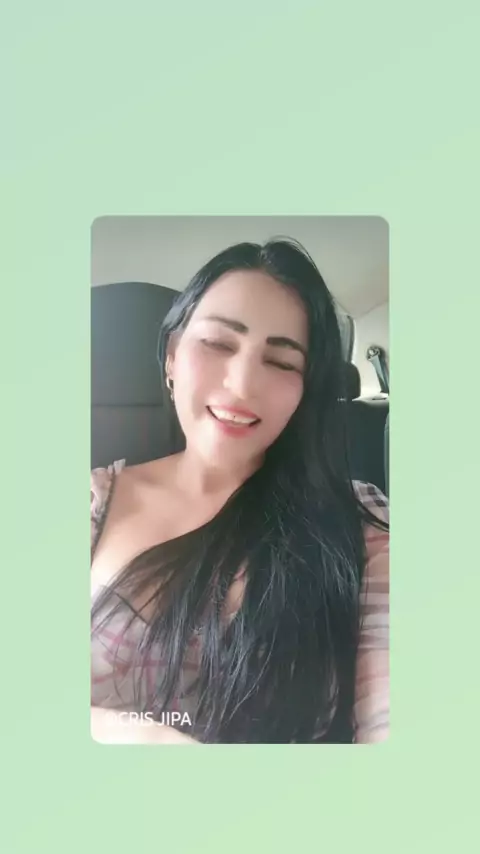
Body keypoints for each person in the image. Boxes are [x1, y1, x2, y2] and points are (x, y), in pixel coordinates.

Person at [91, 238, 389, 744]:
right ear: (172, 357)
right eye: (218, 343)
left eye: (282, 362)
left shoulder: (358, 519)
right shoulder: (91, 501)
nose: (243, 384)